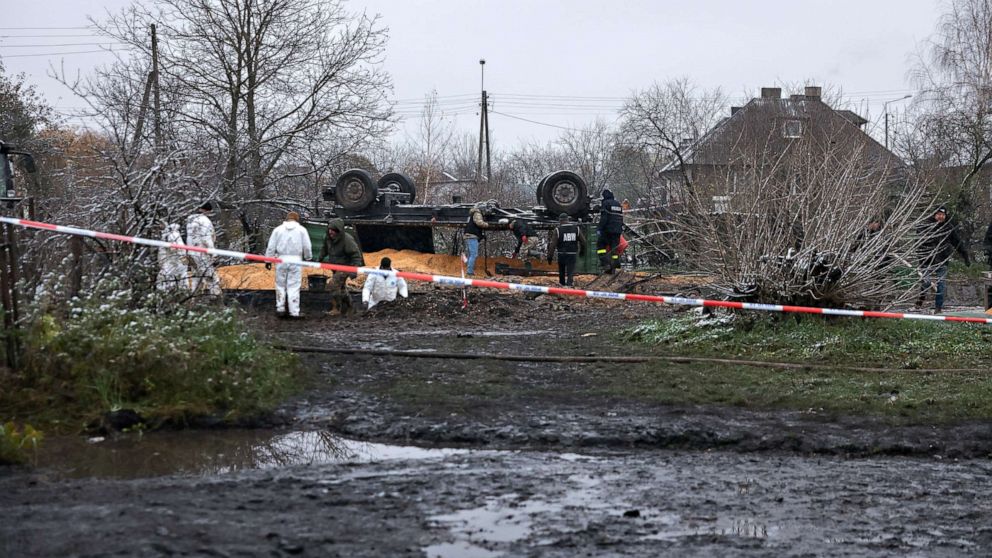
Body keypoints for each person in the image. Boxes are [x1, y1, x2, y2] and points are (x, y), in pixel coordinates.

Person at [916, 206, 970, 313]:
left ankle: (938, 307)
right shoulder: (925, 226)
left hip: (942, 259)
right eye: (939, 214)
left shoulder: (948, 227)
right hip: (927, 259)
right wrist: (922, 256)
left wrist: (965, 256)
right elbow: (919, 243)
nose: (941, 217)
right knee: (926, 282)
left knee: (941, 285)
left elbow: (957, 242)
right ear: (934, 215)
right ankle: (921, 298)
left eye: (943, 215)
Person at [264, 211, 312, 318]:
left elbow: (271, 247)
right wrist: (308, 258)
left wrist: (268, 260)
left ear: (287, 219)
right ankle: (294, 311)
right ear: (297, 219)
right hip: (296, 261)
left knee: (280, 285)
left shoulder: (278, 230)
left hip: (281, 260)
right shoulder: (302, 230)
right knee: (294, 286)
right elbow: (307, 246)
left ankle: (280, 308)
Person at [318, 218, 364, 315]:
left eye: (333, 230)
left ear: (338, 230)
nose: (330, 232)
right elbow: (324, 249)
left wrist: (354, 270)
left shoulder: (347, 240)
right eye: (329, 230)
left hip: (345, 267)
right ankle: (350, 307)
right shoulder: (328, 238)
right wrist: (319, 259)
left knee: (333, 285)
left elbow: (356, 255)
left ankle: (336, 308)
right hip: (335, 267)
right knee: (341, 288)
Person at [186, 201, 223, 295]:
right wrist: (213, 253)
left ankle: (193, 296)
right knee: (211, 276)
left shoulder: (190, 221)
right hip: (202, 253)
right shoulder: (204, 221)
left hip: (191, 252)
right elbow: (206, 238)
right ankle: (215, 295)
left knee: (196, 276)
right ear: (207, 210)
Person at [547, 213, 587, 286]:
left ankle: (562, 285)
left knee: (561, 272)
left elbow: (552, 245)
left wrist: (550, 257)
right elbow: (583, 242)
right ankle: (569, 285)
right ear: (568, 220)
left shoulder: (558, 230)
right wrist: (582, 251)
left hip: (561, 254)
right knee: (570, 272)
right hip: (572, 254)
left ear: (560, 220)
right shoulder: (576, 228)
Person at [463, 202, 496, 276]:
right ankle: (469, 272)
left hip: (469, 235)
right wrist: (487, 225)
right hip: (472, 236)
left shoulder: (473, 214)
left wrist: (481, 235)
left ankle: (468, 269)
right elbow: (479, 223)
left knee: (471, 254)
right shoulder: (477, 213)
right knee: (474, 254)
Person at [596, 188, 624, 273]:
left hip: (607, 230)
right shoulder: (618, 204)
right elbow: (620, 217)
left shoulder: (606, 203)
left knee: (600, 246)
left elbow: (604, 218)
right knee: (614, 249)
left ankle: (606, 264)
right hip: (617, 231)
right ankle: (616, 265)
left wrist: (599, 228)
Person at [156, 223, 189, 291]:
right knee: (180, 279)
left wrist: (182, 258)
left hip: (174, 262)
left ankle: (164, 292)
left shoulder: (172, 235)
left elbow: (177, 248)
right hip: (175, 261)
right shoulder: (170, 235)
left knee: (164, 277)